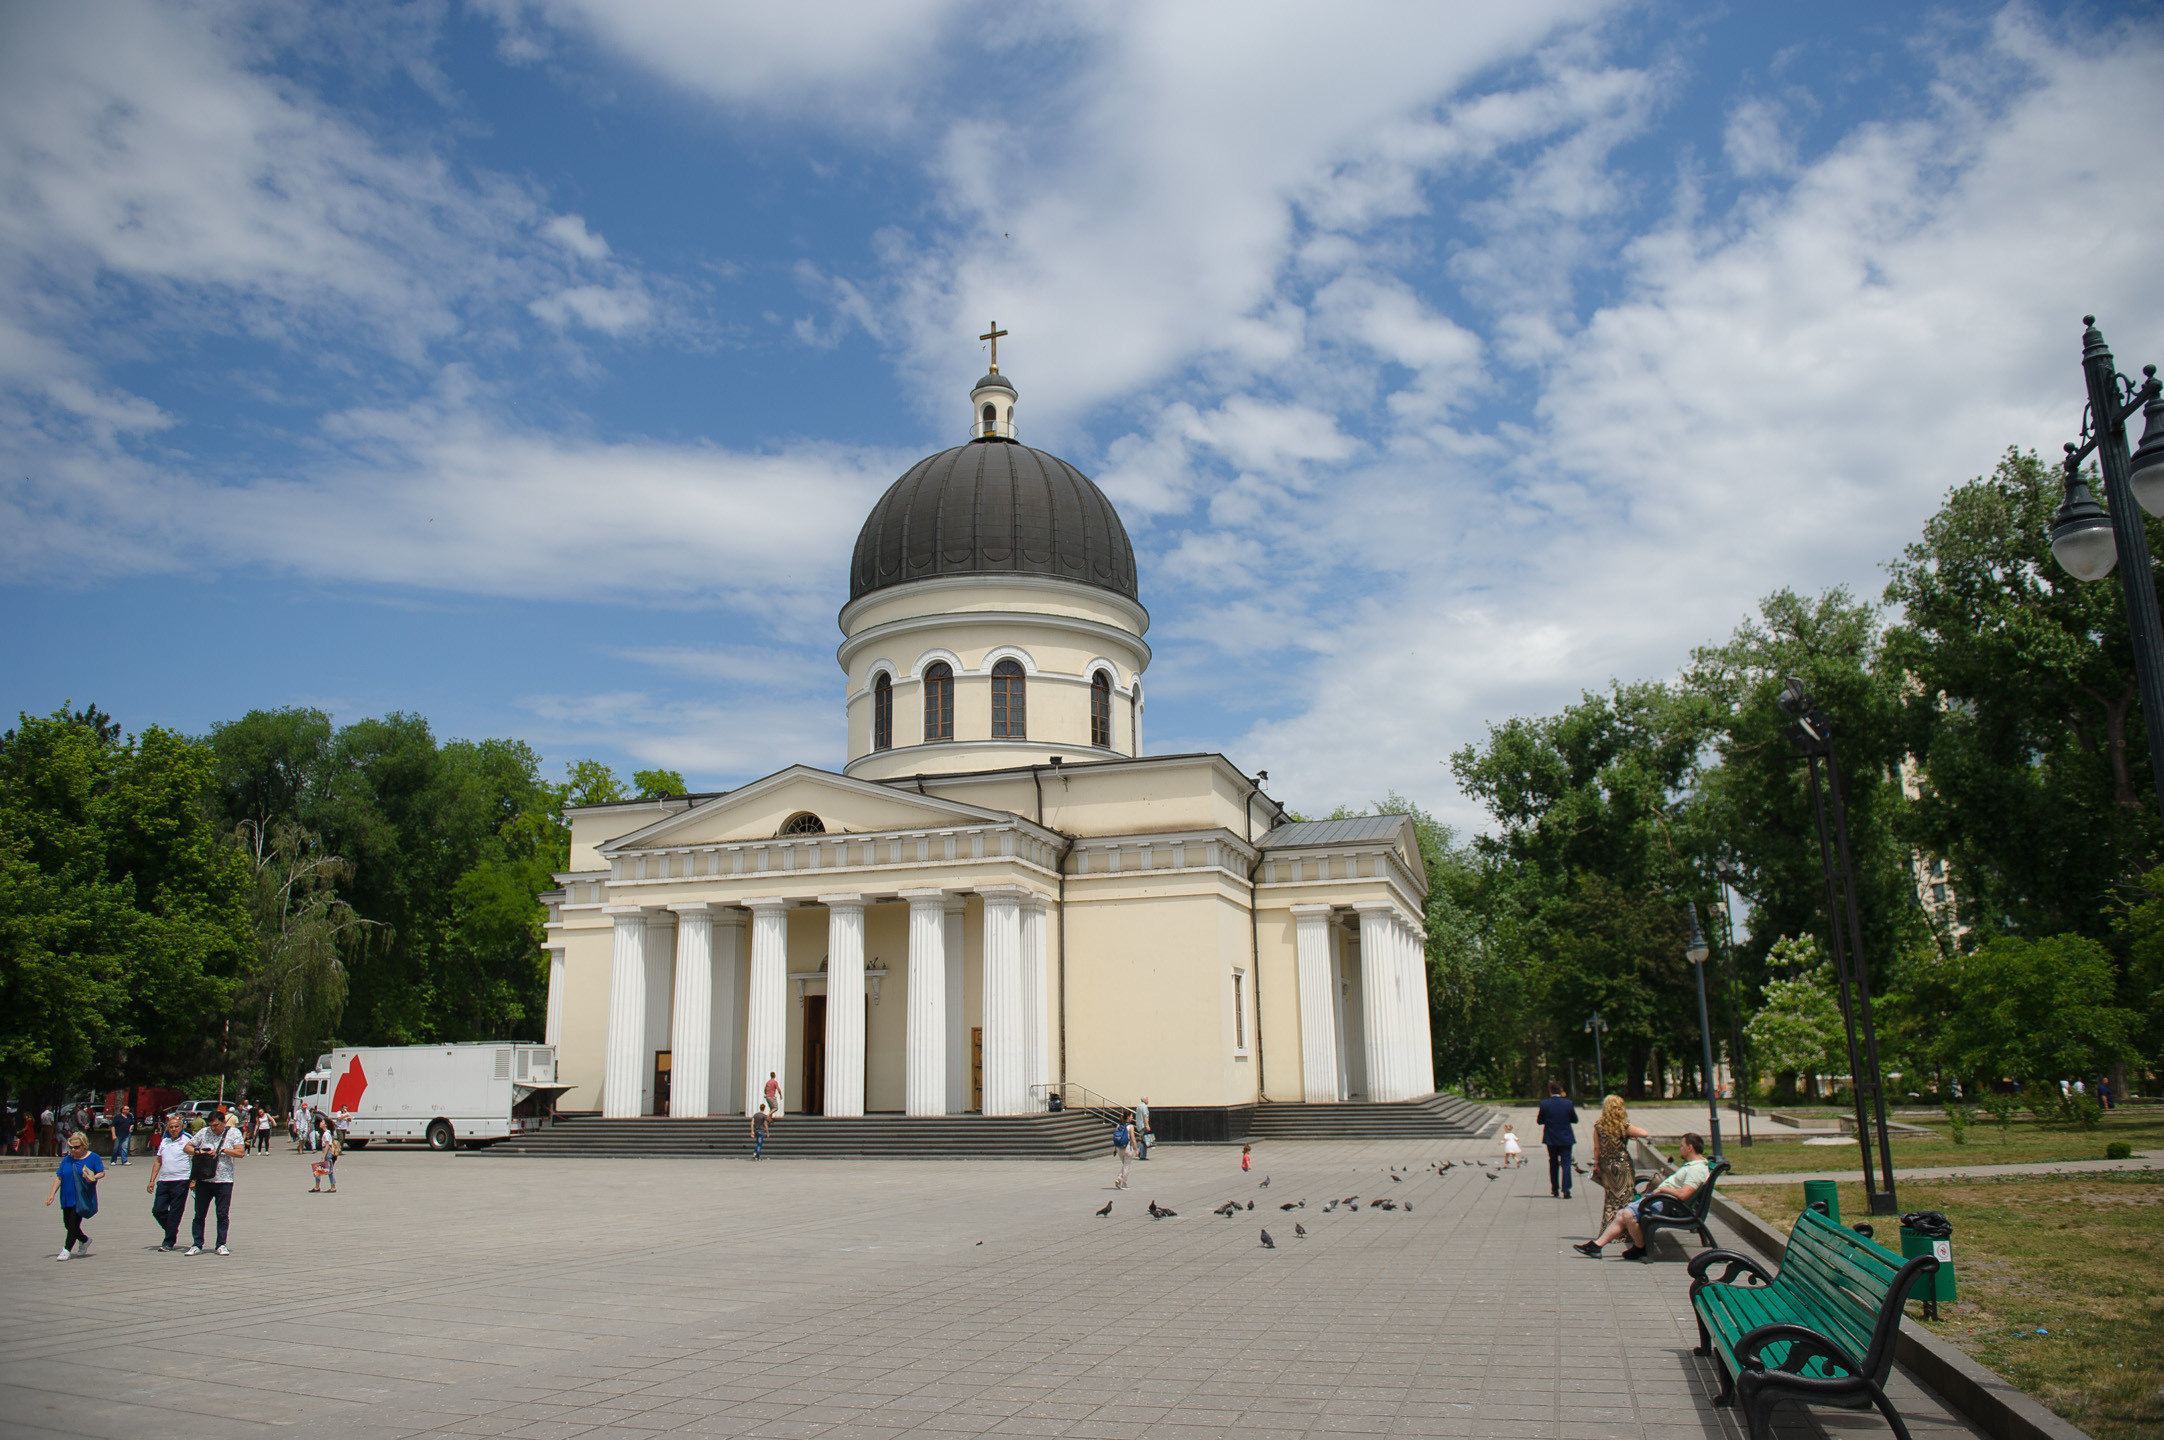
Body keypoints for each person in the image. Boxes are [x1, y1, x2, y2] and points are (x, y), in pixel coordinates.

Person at [1575, 1131, 1712, 1260]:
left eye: (1681, 1146)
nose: (1679, 1149)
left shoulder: (1696, 1169)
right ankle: (1598, 1246)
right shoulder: (1695, 1166)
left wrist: (1663, 1189)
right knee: (1624, 1214)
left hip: (1667, 1204)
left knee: (1627, 1215)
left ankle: (1637, 1247)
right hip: (1664, 1201)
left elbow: (1683, 1194)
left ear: (1690, 1148)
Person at [188, 1111, 246, 1255]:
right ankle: (197, 1244)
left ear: (223, 1123)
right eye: (211, 1125)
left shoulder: (234, 1133)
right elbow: (187, 1147)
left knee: (222, 1214)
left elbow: (240, 1153)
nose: (213, 1129)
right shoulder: (203, 1132)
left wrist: (222, 1150)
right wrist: (199, 1151)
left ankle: (221, 1244)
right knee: (199, 1214)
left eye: (216, 1125)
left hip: (224, 1180)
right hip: (204, 1179)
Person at [1589, 1094, 1651, 1228]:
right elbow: (1644, 1133)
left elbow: (1596, 1148)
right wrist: (1630, 1134)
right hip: (1623, 1165)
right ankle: (1625, 1229)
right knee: (1625, 1197)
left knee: (1611, 1198)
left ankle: (1609, 1228)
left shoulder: (1598, 1126)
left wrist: (1596, 1164)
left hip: (1607, 1165)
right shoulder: (1624, 1126)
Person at [46, 1130, 106, 1260]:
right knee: (67, 1224)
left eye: (76, 1147)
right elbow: (59, 1177)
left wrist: (94, 1177)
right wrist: (52, 1195)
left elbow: (101, 1172)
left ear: (84, 1145)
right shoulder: (67, 1159)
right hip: (66, 1196)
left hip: (81, 1197)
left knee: (73, 1223)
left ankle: (66, 1249)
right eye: (71, 1147)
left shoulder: (93, 1157)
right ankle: (84, 1240)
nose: (73, 1150)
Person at [147, 1111, 194, 1251]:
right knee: (158, 1210)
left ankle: (168, 1241)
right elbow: (158, 1161)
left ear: (181, 1127)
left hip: (181, 1180)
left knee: (175, 1211)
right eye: (171, 1127)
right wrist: (152, 1180)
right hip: (164, 1180)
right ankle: (171, 1230)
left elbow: (197, 1158)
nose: (173, 1129)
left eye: (176, 1127)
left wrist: (194, 1180)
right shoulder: (165, 1141)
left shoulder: (188, 1140)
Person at [1534, 1081, 1579, 1200]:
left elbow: (1539, 1121)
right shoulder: (1568, 1104)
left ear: (1550, 1090)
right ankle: (1566, 1189)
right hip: (1566, 1138)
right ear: (1561, 1090)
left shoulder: (1544, 1104)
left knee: (1553, 1163)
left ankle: (1555, 1188)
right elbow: (1574, 1119)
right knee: (1566, 1164)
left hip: (1551, 1138)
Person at [311, 1122, 340, 1193]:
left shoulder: (326, 1134)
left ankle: (329, 1187)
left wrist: (323, 1157)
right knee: (325, 1170)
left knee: (319, 1169)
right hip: (327, 1152)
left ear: (325, 1125)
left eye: (322, 1122)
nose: (320, 1123)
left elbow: (327, 1145)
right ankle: (318, 1186)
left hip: (327, 1153)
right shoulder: (327, 1133)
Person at [1112, 1112, 1135, 1190]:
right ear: (1128, 1117)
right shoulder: (1131, 1126)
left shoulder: (1119, 1126)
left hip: (1119, 1148)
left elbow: (1116, 1138)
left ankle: (1118, 1179)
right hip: (1127, 1148)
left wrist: (1115, 1148)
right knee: (1126, 1166)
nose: (1132, 1118)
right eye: (1132, 1116)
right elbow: (1133, 1139)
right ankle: (1124, 1184)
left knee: (1125, 1165)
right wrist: (1136, 1149)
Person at [1134, 1096, 1151, 1160]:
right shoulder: (1144, 1107)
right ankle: (1142, 1155)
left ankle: (1139, 1152)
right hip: (1143, 1125)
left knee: (1142, 1139)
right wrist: (1147, 1125)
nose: (1148, 1100)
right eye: (1147, 1099)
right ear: (1145, 1100)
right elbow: (1145, 1116)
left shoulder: (1138, 1106)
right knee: (1144, 1141)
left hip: (1139, 1125)